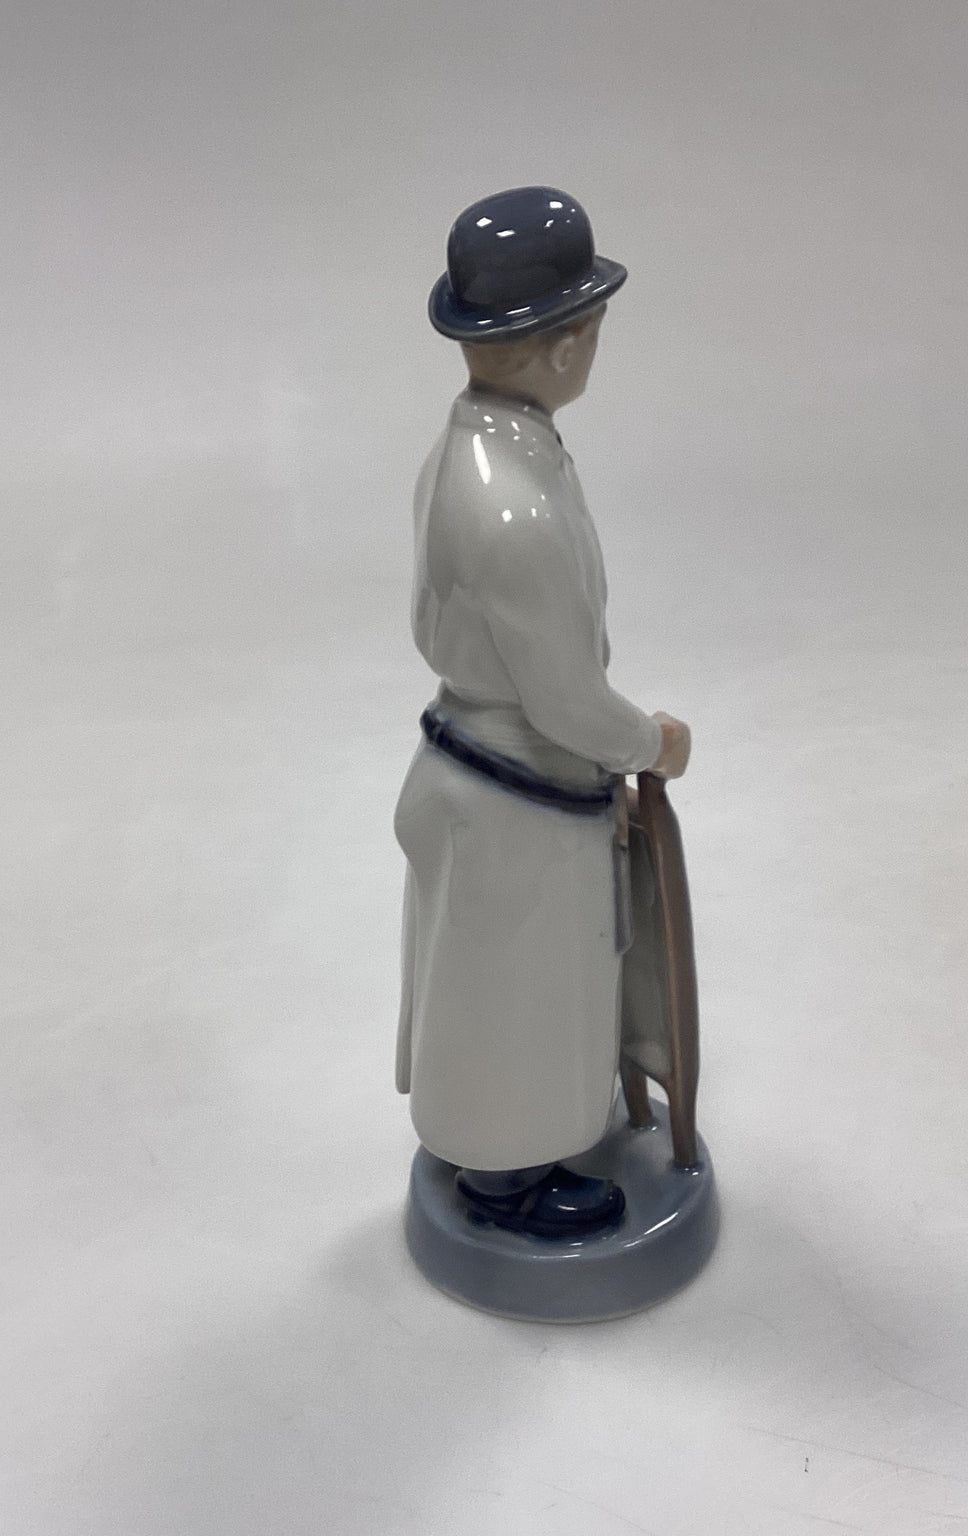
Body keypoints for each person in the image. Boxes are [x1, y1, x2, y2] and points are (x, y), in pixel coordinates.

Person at [395, 187, 690, 1240]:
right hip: (518, 790)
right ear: (562, 345)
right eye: (592, 332)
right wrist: (651, 742)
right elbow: (565, 701)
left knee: (489, 981)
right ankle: (505, 1175)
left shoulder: (473, 449)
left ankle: (496, 1139)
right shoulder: (509, 504)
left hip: (482, 771)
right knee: (515, 990)